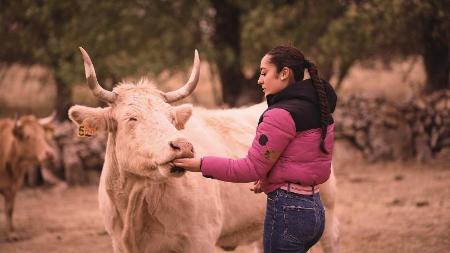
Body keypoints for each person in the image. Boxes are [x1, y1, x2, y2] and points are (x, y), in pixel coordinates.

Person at [174, 45, 337, 253]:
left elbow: (249, 169)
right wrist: (271, 176)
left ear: (284, 74)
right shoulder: (318, 107)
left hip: (287, 213)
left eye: (264, 73)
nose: (259, 80)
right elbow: (302, 156)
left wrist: (200, 164)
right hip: (314, 209)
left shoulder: (279, 115)